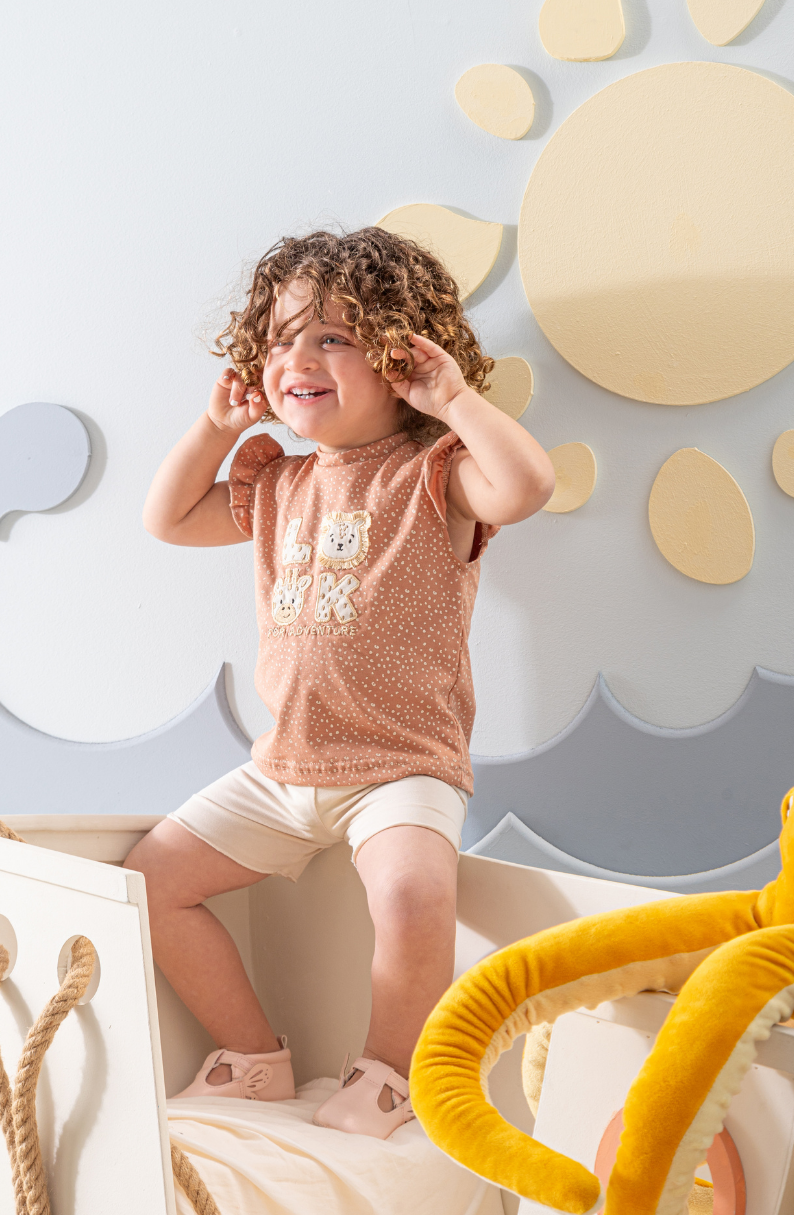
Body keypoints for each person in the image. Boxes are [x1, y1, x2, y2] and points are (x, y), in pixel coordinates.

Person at [125, 226, 554, 1138]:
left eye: (332, 337)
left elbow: (525, 487)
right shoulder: (278, 484)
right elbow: (168, 519)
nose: (300, 359)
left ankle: (390, 1074)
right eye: (282, 339)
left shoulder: (436, 474)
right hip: (283, 767)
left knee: (413, 897)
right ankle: (252, 1057)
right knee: (148, 883)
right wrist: (216, 429)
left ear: (400, 357)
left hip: (401, 767)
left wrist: (455, 400)